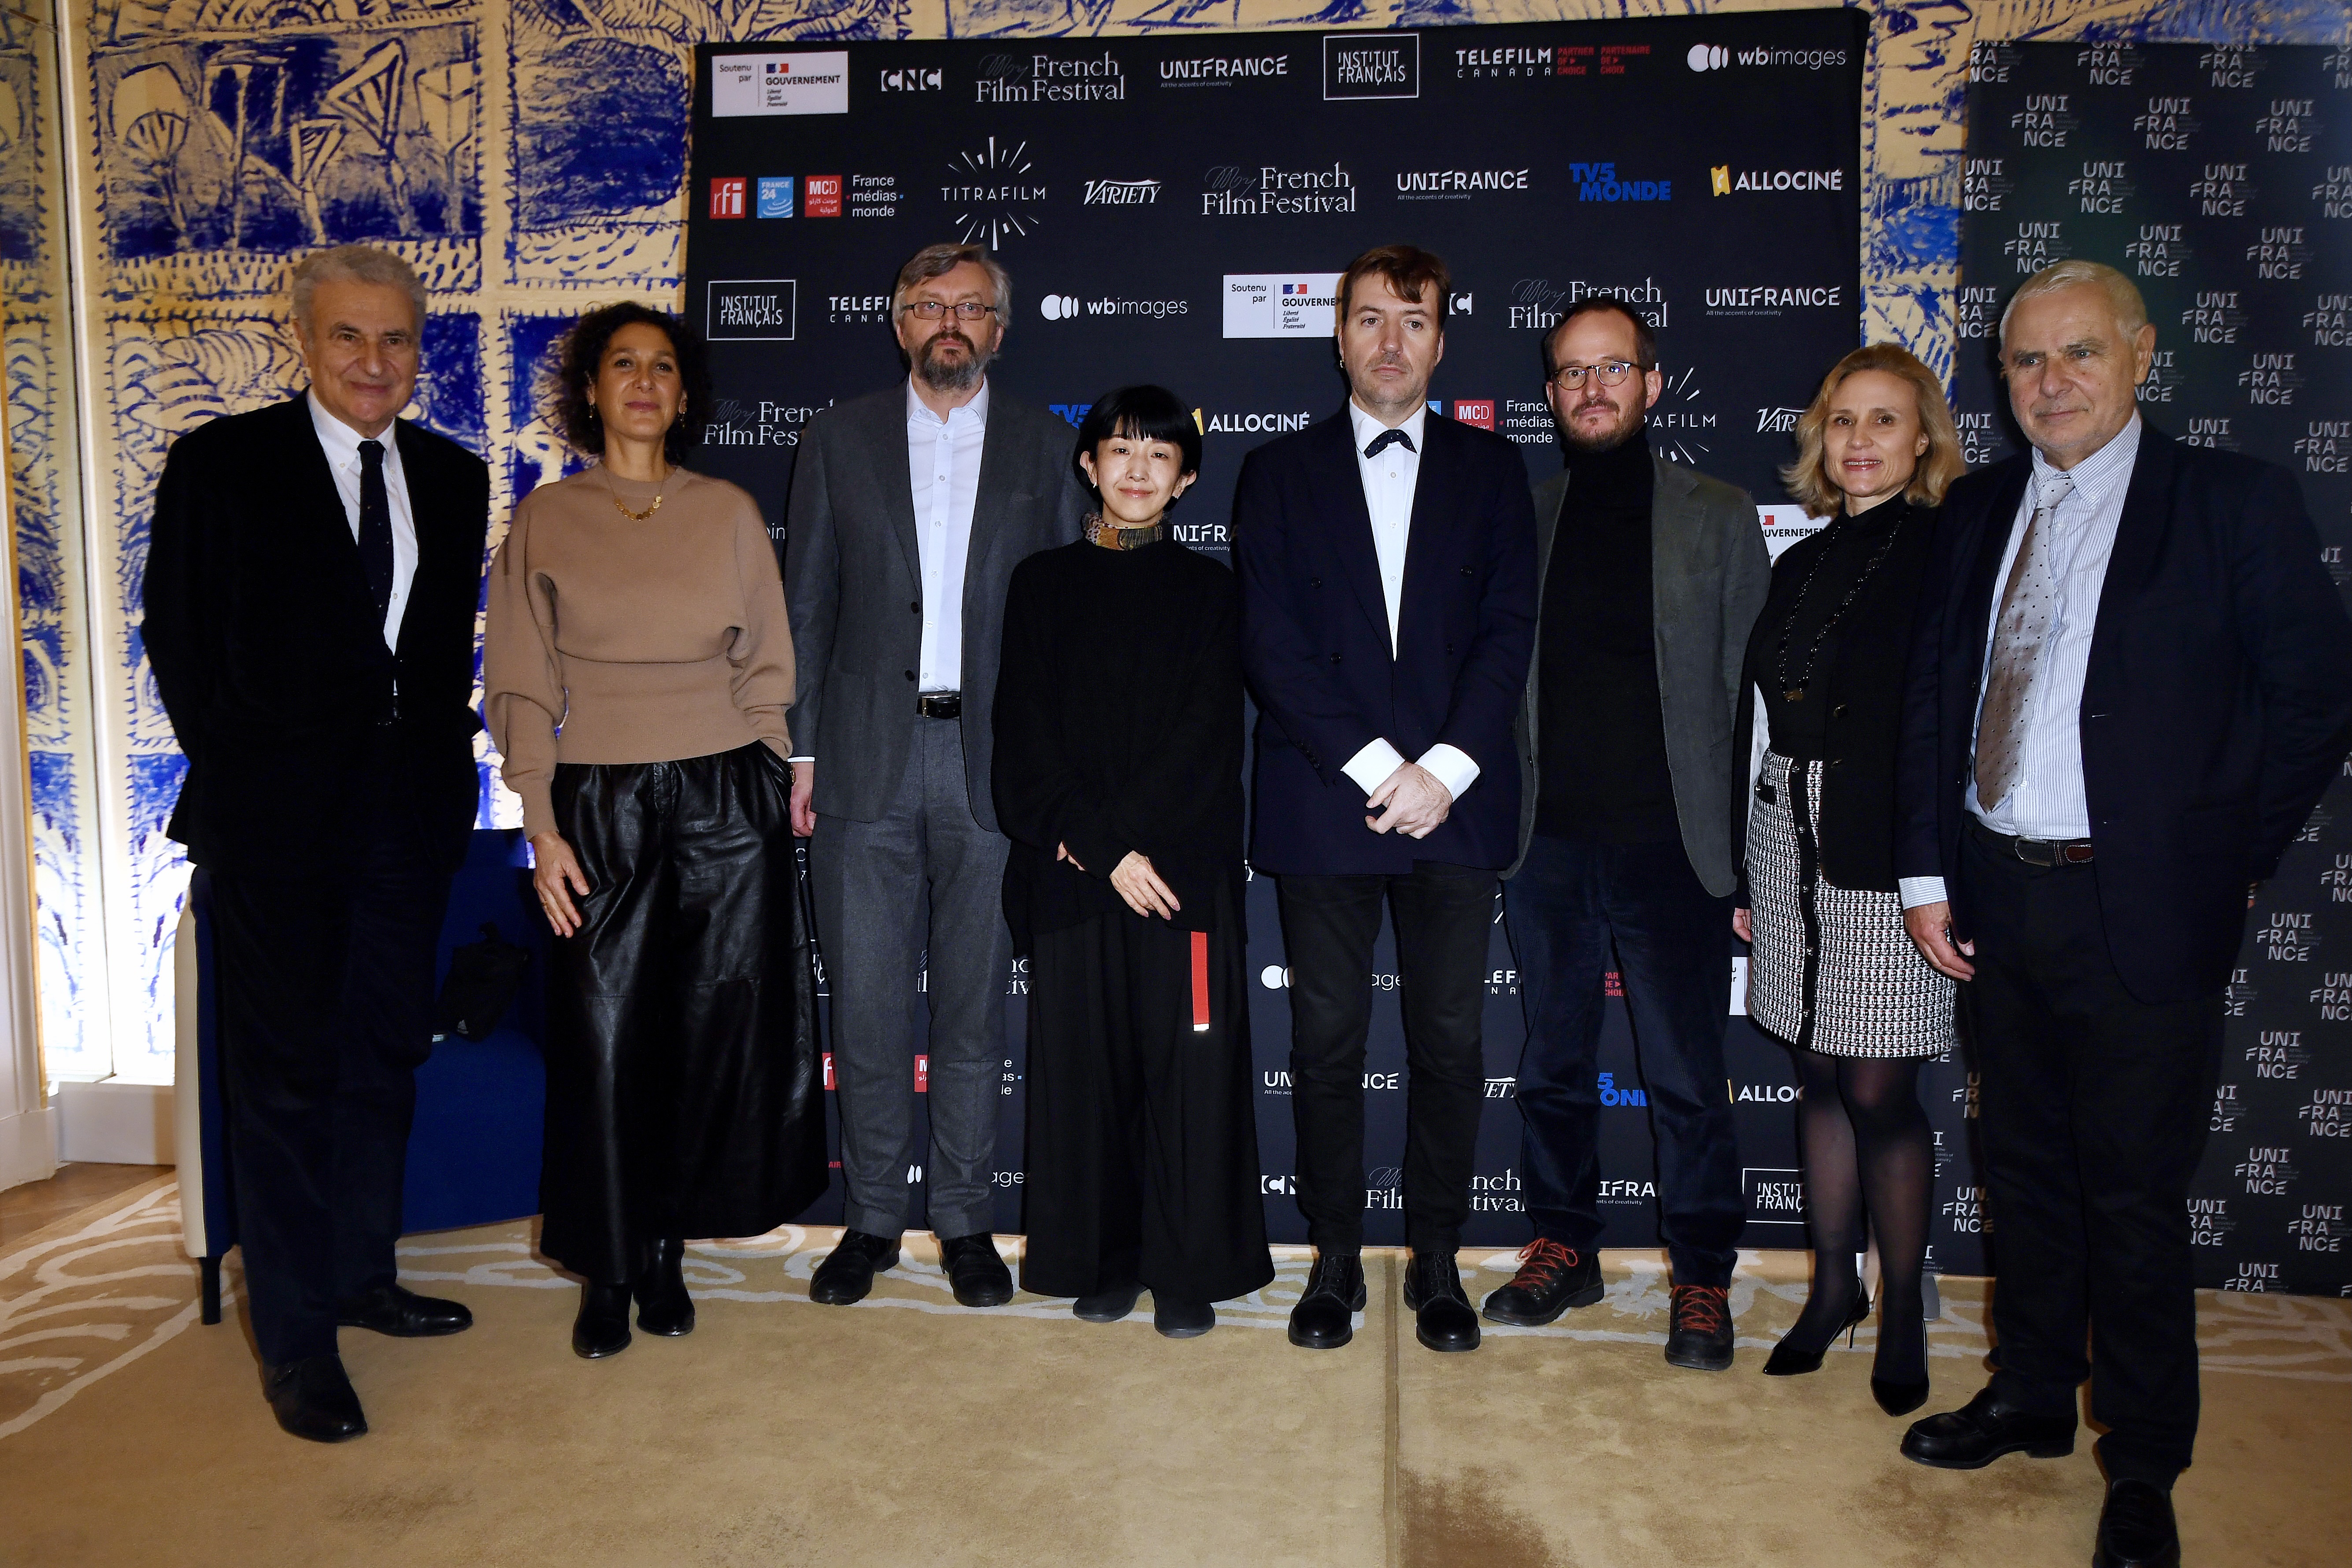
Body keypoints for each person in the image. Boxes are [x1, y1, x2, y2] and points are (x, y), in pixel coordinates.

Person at [1895, 259, 2352, 1568]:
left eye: (2078, 355)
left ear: (2139, 355)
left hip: (2139, 909)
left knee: (2134, 1200)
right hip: (1994, 896)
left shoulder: (2230, 503)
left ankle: (2141, 1460)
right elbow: (1937, 703)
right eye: (2026, 362)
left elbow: (2317, 697)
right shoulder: (1976, 509)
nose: (2050, 384)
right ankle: (2033, 1397)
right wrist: (1929, 876)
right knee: (2024, 1173)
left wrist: (2225, 853)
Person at [143, 245, 489, 1441]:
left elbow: (435, 659)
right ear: (303, 339)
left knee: (383, 1057)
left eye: (396, 340)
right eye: (350, 337)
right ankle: (295, 1346)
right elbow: (179, 638)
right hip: (276, 831)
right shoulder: (223, 463)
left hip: (410, 823)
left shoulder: (454, 475)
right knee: (283, 1085)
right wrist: (253, 776)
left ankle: (359, 1275)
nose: (374, 362)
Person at [483, 301, 825, 1360]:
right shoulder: (546, 516)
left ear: (684, 395)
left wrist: (768, 774)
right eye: (622, 364)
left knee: (704, 1032)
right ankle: (606, 1264)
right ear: (591, 389)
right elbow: (519, 682)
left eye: (662, 367)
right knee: (603, 1038)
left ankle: (667, 1247)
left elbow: (768, 661)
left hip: (726, 796)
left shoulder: (725, 510)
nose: (643, 381)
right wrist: (541, 823)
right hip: (597, 800)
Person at [1234, 244, 1537, 1356]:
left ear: (1442, 340)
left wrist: (1443, 771)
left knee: (1451, 1045)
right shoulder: (1277, 472)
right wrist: (1377, 770)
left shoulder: (1496, 470)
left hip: (1458, 804)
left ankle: (1440, 1261)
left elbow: (1510, 633)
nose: (1391, 340)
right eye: (1370, 319)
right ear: (1340, 336)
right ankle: (1334, 1261)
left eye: (1413, 321)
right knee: (1325, 1044)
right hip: (1327, 805)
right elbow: (1270, 644)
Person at [785, 242, 1087, 1309]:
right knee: (864, 1008)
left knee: (972, 1013)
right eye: (929, 305)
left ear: (1001, 328)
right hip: (863, 759)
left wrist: (1058, 779)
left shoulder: (1052, 449)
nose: (949, 322)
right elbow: (807, 605)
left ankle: (964, 1221)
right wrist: (803, 750)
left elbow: (1064, 627)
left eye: (971, 306)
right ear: (900, 321)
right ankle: (868, 1219)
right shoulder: (838, 439)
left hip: (994, 767)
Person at [1478, 295, 1769, 1372]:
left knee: (1688, 1077)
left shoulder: (1719, 513)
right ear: (1550, 394)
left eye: (1613, 368)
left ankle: (1701, 1276)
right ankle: (1566, 1244)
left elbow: (1755, 698)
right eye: (1570, 372)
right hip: (1546, 848)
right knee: (1552, 1066)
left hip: (1675, 850)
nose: (1591, 387)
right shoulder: (1528, 511)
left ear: (1651, 384)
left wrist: (1749, 852)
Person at [993, 385, 1274, 1338]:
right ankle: (1100, 1257)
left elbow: (1207, 743)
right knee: (1085, 1073)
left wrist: (1131, 846)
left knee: (1187, 1074)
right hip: (1076, 875)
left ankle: (1185, 1264)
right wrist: (1101, 848)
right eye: (1120, 451)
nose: (1138, 470)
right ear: (1089, 465)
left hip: (1181, 883)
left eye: (1160, 456)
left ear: (1188, 477)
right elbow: (1022, 739)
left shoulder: (1215, 592)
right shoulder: (1040, 583)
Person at [1729, 344, 1964, 1415]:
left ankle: (1904, 1302)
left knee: (1879, 1085)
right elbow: (1760, 719)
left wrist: (1939, 864)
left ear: (1923, 440)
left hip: (1886, 841)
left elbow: (1947, 721)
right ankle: (1832, 1289)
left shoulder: (1947, 551)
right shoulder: (1799, 563)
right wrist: (1746, 854)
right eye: (1843, 422)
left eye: (1884, 421)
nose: (1861, 442)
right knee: (1818, 1074)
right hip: (1787, 833)